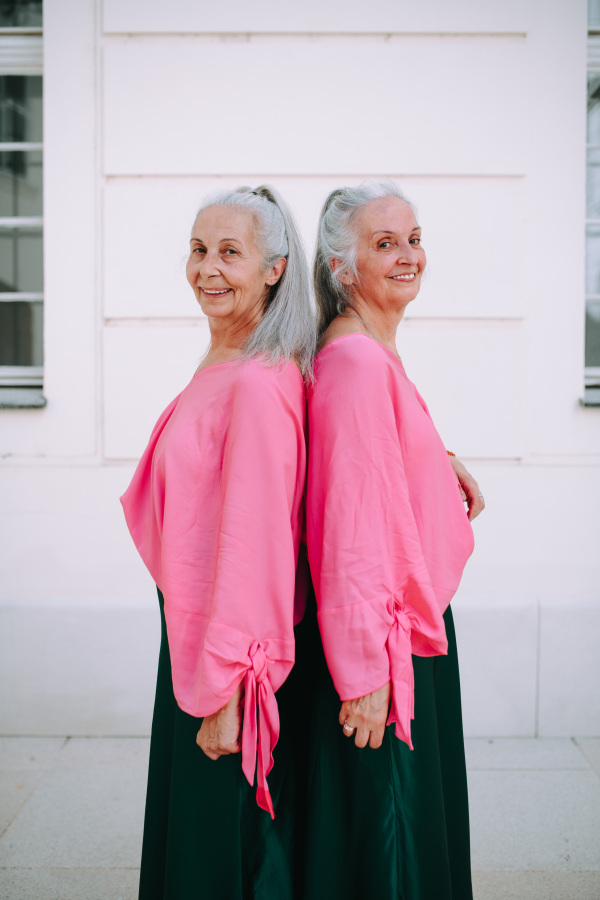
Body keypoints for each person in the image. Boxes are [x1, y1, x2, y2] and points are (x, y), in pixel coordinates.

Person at [120, 185, 316, 899]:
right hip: (192, 638)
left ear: (275, 268)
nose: (208, 267)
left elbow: (257, 547)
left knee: (219, 859)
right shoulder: (224, 362)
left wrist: (227, 693)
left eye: (230, 252)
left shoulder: (258, 384)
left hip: (223, 663)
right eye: (199, 249)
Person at [304, 181, 484, 899]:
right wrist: (365, 675)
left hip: (401, 635)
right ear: (344, 268)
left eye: (413, 238)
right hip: (385, 651)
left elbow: (375, 471)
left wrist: (436, 463)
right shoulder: (354, 363)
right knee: (392, 846)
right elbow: (349, 528)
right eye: (386, 244)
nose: (410, 256)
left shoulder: (368, 352)